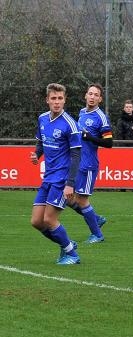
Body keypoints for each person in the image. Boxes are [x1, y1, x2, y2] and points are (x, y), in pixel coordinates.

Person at [29, 83, 82, 265]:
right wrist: (36, 154)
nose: (57, 102)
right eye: (53, 98)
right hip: (48, 177)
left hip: (62, 178)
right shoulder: (43, 119)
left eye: (60, 98)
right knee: (37, 221)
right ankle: (67, 244)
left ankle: (72, 255)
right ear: (47, 100)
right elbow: (40, 142)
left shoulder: (70, 124)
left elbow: (76, 155)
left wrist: (70, 183)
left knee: (49, 219)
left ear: (64, 100)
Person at [67, 83, 113, 244]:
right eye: (90, 94)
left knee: (82, 201)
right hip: (77, 162)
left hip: (88, 165)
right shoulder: (82, 112)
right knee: (68, 199)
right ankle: (96, 218)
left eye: (96, 95)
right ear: (85, 95)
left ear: (100, 99)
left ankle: (97, 234)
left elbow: (109, 143)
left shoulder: (101, 117)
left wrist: (90, 137)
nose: (92, 97)